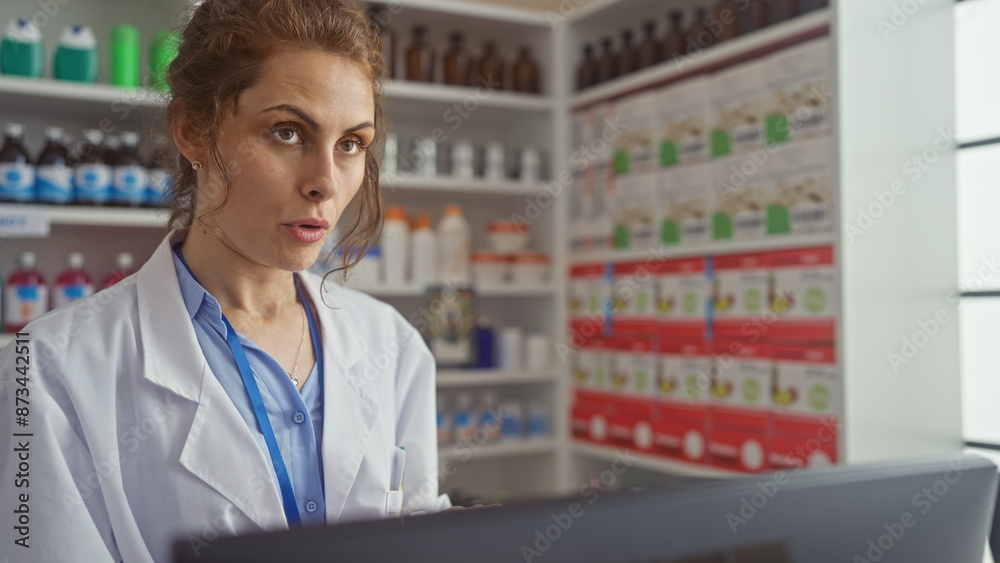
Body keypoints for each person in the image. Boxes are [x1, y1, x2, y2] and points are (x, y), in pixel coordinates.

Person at [0, 1, 451, 561]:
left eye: (351, 144)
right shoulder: (44, 372)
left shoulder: (394, 346)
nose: (325, 183)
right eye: (287, 132)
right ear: (192, 129)